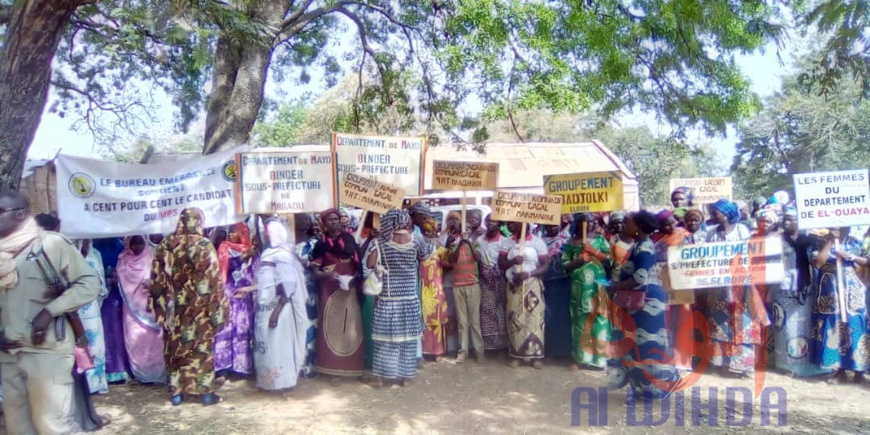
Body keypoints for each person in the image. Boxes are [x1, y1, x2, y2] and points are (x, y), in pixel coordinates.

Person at [0, 192, 100, 433]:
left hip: (46, 351)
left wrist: (49, 311)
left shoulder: (51, 244)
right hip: (8, 353)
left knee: (53, 425)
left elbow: (89, 284)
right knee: (17, 426)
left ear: (21, 214)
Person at [149, 208, 228, 406]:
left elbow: (156, 280)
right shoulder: (204, 245)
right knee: (202, 349)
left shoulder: (166, 245)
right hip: (200, 308)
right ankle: (206, 393)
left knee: (175, 349)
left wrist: (159, 308)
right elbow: (213, 281)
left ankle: (177, 392)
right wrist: (219, 311)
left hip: (174, 309)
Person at [609, 211, 680, 399]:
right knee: (639, 346)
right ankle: (644, 388)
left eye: (628, 223)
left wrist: (616, 286)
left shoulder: (645, 247)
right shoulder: (641, 245)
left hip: (647, 304)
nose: (624, 225)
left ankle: (663, 384)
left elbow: (640, 277)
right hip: (642, 303)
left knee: (648, 345)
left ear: (638, 227)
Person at [367, 209, 433, 387]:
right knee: (408, 340)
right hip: (409, 298)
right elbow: (426, 256)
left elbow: (369, 264)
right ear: (406, 221)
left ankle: (380, 378)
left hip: (387, 298)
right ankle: (406, 377)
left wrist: (376, 242)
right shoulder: (416, 240)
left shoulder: (382, 242)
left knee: (383, 340)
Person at [771, 207, 831, 377]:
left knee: (804, 326)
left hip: (806, 288)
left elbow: (817, 261)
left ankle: (805, 365)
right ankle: (787, 365)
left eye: (791, 219)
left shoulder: (809, 240)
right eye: (785, 219)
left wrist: (826, 241)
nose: (787, 222)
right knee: (785, 327)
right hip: (783, 288)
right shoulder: (777, 239)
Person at [309, 208, 364, 380]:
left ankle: (353, 368)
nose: (333, 222)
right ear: (324, 223)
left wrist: (353, 278)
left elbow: (358, 266)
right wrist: (327, 274)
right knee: (332, 331)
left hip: (349, 290)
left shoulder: (349, 240)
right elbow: (316, 272)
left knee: (351, 330)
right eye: (330, 220)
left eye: (336, 219)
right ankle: (332, 371)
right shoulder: (320, 245)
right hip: (329, 292)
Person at [254, 220, 309, 393]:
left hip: (279, 308)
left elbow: (288, 284)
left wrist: (276, 313)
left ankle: (284, 383)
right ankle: (267, 382)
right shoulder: (268, 253)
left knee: (279, 345)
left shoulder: (283, 255)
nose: (265, 235)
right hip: (265, 306)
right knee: (266, 344)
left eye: (267, 232)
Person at [809, 227, 869, 383]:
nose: (837, 228)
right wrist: (830, 241)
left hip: (852, 294)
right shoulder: (820, 242)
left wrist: (851, 257)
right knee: (834, 329)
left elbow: (867, 261)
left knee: (855, 328)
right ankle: (838, 370)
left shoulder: (854, 242)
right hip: (830, 294)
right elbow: (818, 263)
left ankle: (859, 372)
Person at [705, 199, 755, 377]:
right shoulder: (711, 234)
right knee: (720, 325)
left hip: (740, 285)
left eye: (716, 211)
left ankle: (742, 365)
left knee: (742, 323)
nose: (713, 215)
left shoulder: (742, 230)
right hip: (719, 287)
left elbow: (749, 254)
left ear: (726, 213)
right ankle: (723, 365)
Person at [562, 214, 613, 370]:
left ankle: (600, 359)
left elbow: (611, 260)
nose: (589, 225)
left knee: (600, 320)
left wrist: (595, 252)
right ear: (578, 224)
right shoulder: (571, 243)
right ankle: (581, 358)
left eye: (592, 222)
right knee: (581, 320)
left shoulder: (600, 240)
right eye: (585, 222)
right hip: (579, 289)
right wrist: (578, 260)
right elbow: (564, 264)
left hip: (598, 286)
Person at [498, 221, 550, 368]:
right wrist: (512, 261)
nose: (522, 228)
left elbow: (546, 265)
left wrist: (529, 273)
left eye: (525, 225)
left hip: (532, 286)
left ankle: (535, 356)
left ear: (529, 227)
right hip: (514, 286)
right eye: (518, 225)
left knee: (534, 320)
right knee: (515, 319)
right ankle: (517, 355)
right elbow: (500, 264)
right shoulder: (508, 242)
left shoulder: (537, 242)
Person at [117, 236, 167, 384]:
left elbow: (162, 277)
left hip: (150, 307)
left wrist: (153, 283)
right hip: (132, 310)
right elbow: (121, 282)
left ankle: (158, 376)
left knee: (155, 342)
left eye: (140, 243)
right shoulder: (123, 260)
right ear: (128, 244)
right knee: (134, 341)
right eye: (134, 243)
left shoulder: (152, 256)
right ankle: (141, 376)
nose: (137, 246)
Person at [214, 222, 257, 377]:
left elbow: (256, 271)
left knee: (242, 329)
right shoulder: (225, 248)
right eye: (230, 232)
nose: (231, 235)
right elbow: (224, 268)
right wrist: (243, 257)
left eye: (235, 232)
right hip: (228, 294)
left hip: (244, 297)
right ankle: (223, 366)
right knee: (225, 329)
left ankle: (241, 367)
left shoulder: (252, 251)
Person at [447, 213, 485, 363]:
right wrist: (460, 244)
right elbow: (452, 259)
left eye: (468, 229)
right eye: (464, 229)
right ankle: (463, 351)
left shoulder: (475, 243)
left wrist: (467, 242)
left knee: (474, 321)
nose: (466, 231)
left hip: (472, 285)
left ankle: (479, 350)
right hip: (458, 286)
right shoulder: (453, 245)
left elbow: (477, 257)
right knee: (462, 322)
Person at [76, 239, 110, 395]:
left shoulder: (95, 255)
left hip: (93, 308)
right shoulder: (71, 257)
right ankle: (85, 384)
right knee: (80, 343)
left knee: (96, 343)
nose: (86, 243)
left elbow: (101, 280)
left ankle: (98, 382)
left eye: (87, 240)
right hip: (75, 308)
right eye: (83, 240)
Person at [476, 214, 509, 353]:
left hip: (500, 280)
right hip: (484, 281)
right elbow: (477, 258)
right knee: (486, 311)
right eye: (488, 221)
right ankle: (490, 346)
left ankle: (502, 347)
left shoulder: (504, 241)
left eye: (494, 221)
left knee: (500, 311)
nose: (490, 223)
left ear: (500, 224)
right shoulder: (479, 240)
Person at [541, 221, 572, 359]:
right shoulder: (540, 241)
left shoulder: (566, 239)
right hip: (547, 283)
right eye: (549, 225)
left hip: (564, 281)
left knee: (563, 316)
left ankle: (564, 351)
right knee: (548, 316)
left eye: (555, 225)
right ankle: (550, 349)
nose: (552, 228)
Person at [295, 214, 321, 379]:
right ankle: (295, 366)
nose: (304, 222)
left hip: (310, 291)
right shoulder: (286, 243)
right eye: (300, 219)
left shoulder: (315, 243)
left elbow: (319, 263)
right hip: (290, 293)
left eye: (307, 219)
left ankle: (309, 365)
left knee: (310, 326)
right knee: (294, 327)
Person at [419, 218, 449, 360]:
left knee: (437, 319)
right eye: (425, 231)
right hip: (422, 288)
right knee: (424, 318)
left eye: (430, 231)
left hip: (436, 287)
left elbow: (449, 264)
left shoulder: (441, 248)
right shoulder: (419, 248)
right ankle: (424, 351)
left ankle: (437, 351)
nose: (428, 234)